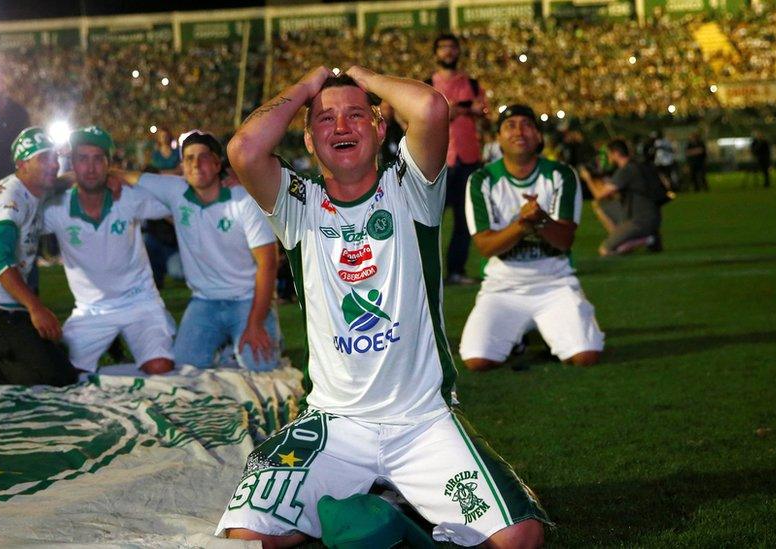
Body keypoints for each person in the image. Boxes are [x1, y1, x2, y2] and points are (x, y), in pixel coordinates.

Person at [218, 66, 548, 548]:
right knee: (246, 538)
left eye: (356, 116)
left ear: (380, 128)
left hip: (422, 420)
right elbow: (244, 149)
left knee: (521, 539)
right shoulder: (298, 203)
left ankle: (395, 507)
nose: (342, 127)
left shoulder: (411, 189)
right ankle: (383, 498)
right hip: (334, 423)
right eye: (325, 121)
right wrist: (312, 84)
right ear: (309, 141)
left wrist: (355, 75)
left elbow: (433, 108)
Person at [112, 131, 282, 372]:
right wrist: (105, 177)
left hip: (246, 298)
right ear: (181, 165)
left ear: (216, 164)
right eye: (189, 158)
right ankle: (226, 344)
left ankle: (259, 332)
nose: (196, 164)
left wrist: (255, 324)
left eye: (204, 157)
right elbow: (129, 176)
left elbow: (268, 263)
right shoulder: (175, 190)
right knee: (183, 367)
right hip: (204, 301)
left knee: (262, 365)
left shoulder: (243, 200)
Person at [461, 104, 604, 371]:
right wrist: (523, 224)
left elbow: (563, 241)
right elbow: (485, 246)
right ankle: (518, 336)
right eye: (510, 125)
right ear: (498, 137)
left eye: (527, 124)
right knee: (477, 360)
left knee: (586, 356)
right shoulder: (481, 180)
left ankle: (544, 332)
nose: (519, 131)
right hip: (503, 286)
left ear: (539, 136)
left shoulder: (561, 174)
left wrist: (540, 220)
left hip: (554, 281)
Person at [42, 126, 175, 376]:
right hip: (91, 310)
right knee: (62, 374)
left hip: (140, 301)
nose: (90, 168)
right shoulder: (57, 207)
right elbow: (18, 208)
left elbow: (178, 197)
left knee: (160, 367)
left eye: (98, 159)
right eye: (83, 159)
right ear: (72, 164)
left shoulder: (129, 197)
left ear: (109, 164)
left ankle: (156, 336)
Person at [0, 127, 78, 387]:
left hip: (8, 303)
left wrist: (111, 174)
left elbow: (66, 180)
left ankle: (2, 360)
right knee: (57, 376)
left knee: (62, 357)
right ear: (22, 164)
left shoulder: (34, 187)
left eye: (54, 157)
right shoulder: (9, 199)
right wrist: (36, 307)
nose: (53, 164)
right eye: (43, 159)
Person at [428, 33, 487, 285]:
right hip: (437, 158)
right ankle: (428, 273)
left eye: (452, 47)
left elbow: (484, 111)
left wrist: (461, 109)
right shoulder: (426, 84)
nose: (448, 52)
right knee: (430, 219)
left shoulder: (471, 83)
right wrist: (454, 111)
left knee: (465, 219)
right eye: (443, 48)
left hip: (468, 156)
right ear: (436, 53)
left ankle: (455, 270)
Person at [596, 139, 667, 256]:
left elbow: (600, 194)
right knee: (603, 205)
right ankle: (639, 237)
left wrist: (588, 178)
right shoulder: (639, 166)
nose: (608, 157)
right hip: (652, 217)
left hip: (639, 221)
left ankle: (648, 239)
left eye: (609, 154)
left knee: (606, 250)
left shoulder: (626, 170)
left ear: (616, 153)